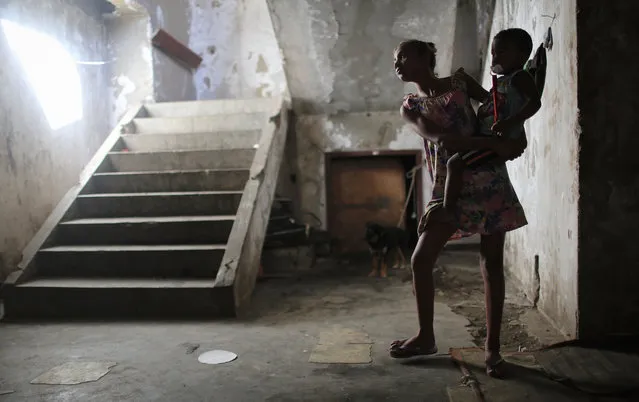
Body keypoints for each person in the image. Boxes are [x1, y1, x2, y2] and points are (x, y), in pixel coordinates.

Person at [391, 39, 528, 378]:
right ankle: (426, 336)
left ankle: (492, 351)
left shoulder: (461, 83)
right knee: (421, 259)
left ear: (426, 57)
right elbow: (443, 140)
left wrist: (515, 135)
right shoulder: (410, 106)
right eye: (395, 59)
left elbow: (497, 108)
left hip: (487, 177)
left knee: (491, 263)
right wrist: (495, 144)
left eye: (404, 56)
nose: (397, 63)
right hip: (448, 185)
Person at [441, 28, 542, 217]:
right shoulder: (502, 82)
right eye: (493, 52)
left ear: (521, 55)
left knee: (455, 164)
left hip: (497, 142)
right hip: (488, 140)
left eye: (502, 52)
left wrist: (511, 123)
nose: (495, 56)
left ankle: (447, 210)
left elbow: (535, 103)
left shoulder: (519, 78)